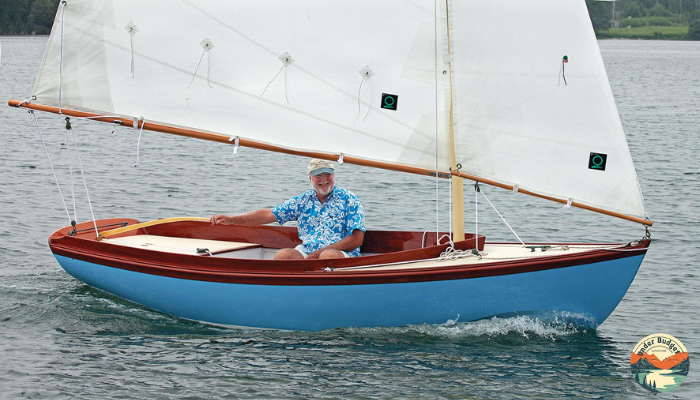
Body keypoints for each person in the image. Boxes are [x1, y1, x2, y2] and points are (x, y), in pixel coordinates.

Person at [210, 159, 365, 260]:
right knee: (283, 255)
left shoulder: (349, 199)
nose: (324, 180)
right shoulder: (303, 200)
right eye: (318, 175)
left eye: (327, 175)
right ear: (310, 178)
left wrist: (318, 254)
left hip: (340, 255)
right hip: (308, 251)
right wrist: (230, 219)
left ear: (334, 175)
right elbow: (268, 214)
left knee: (328, 256)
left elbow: (357, 239)